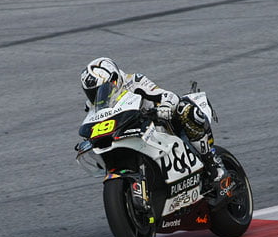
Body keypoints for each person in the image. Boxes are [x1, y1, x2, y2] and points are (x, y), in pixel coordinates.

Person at [79, 57, 232, 194]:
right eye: (91, 93)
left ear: (114, 80)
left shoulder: (134, 81)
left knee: (186, 110)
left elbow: (168, 96)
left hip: (161, 125)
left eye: (100, 90)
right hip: (130, 134)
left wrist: (164, 107)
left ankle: (214, 164)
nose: (96, 97)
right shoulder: (93, 105)